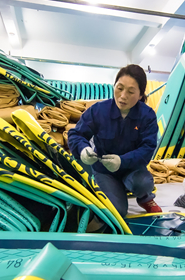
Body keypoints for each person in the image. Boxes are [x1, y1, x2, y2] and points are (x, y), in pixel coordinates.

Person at [67, 64, 162, 219]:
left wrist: (122, 161)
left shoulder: (147, 116)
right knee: (117, 212)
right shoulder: (98, 110)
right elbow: (76, 134)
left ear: (140, 95)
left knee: (143, 182)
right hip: (105, 171)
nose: (123, 95)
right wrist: (83, 149)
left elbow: (148, 147)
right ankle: (108, 190)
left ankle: (145, 198)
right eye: (119, 88)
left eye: (130, 92)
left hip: (132, 170)